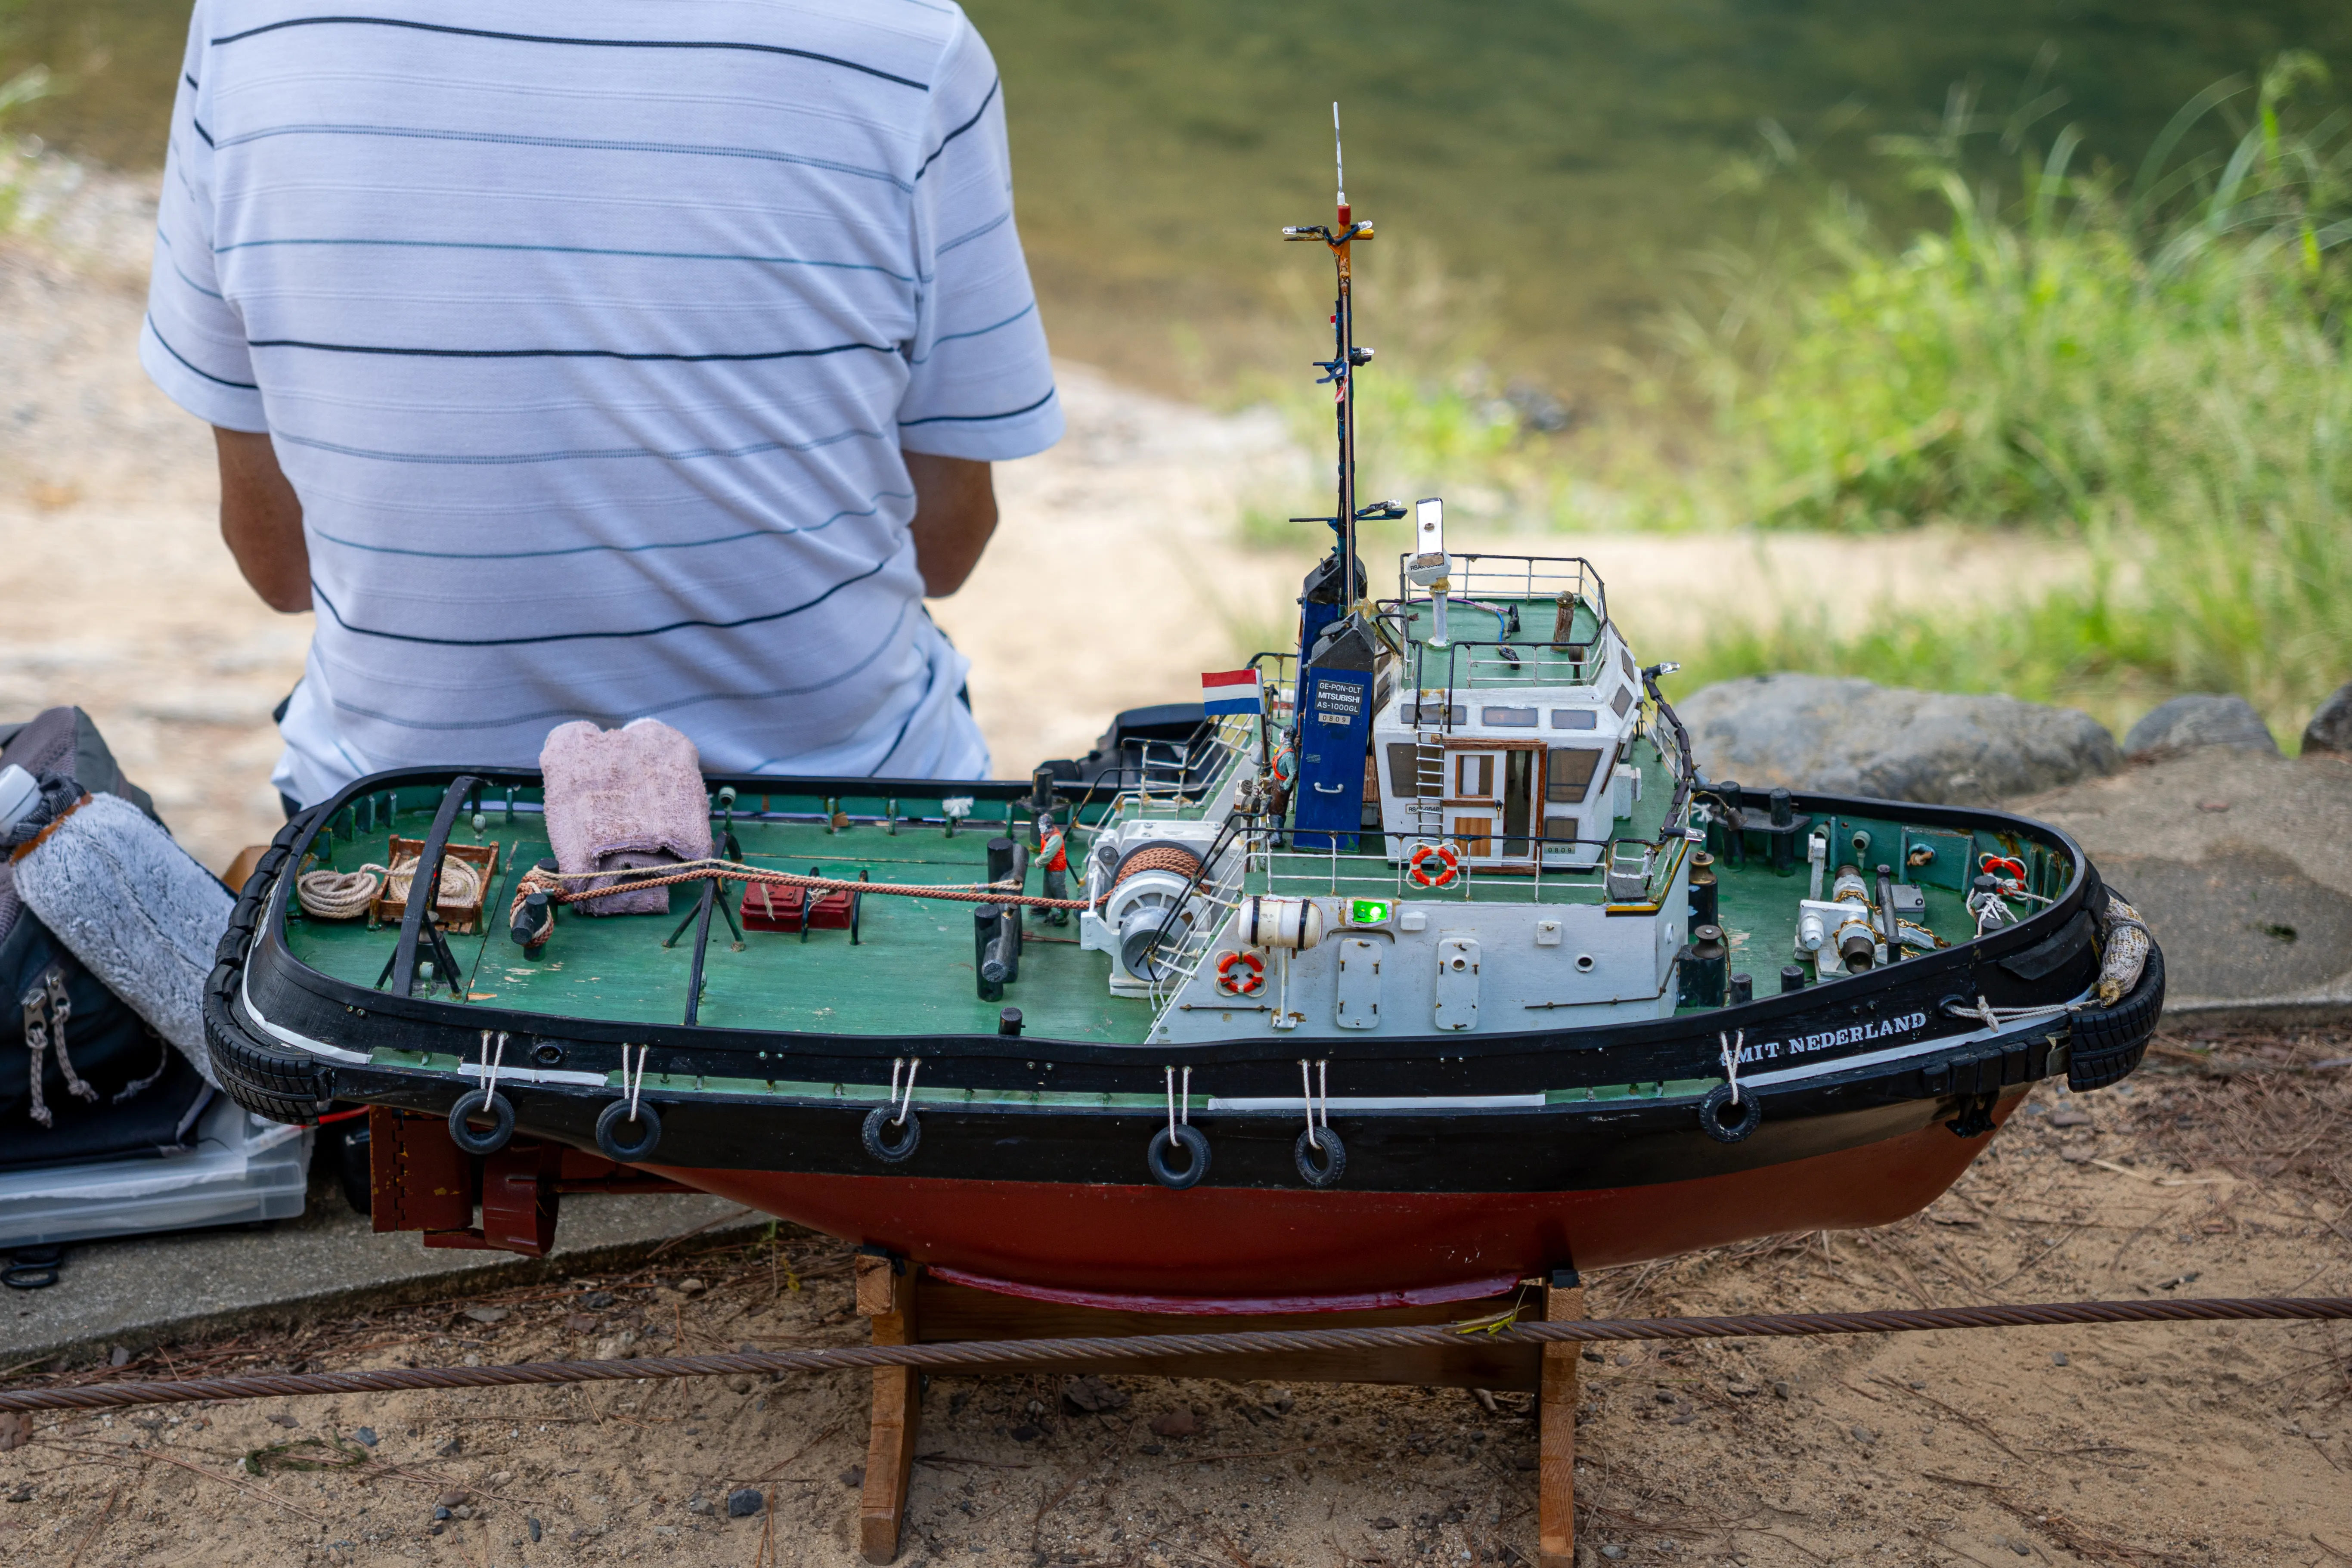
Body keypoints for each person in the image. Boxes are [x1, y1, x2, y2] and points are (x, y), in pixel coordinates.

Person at [141, 1, 1060, 808]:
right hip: (847, 806)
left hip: (403, 819)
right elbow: (947, 546)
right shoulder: (907, 43)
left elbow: (279, 564)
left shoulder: (252, 27)